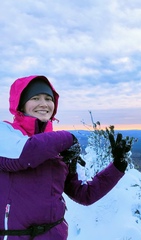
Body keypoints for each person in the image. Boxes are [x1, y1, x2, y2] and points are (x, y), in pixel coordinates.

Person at [0, 75, 130, 240]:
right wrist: (69, 139)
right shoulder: (6, 133)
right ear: (20, 104)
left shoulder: (58, 149)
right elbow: (25, 154)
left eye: (49, 98)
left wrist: (117, 167)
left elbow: (84, 194)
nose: (44, 104)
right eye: (35, 98)